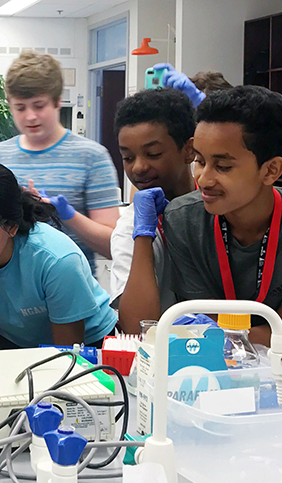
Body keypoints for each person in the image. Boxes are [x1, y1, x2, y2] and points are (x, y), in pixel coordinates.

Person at [157, 85, 282, 348]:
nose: (203, 179)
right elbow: (207, 324)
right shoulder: (183, 220)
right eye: (200, 160)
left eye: (223, 166)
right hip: (217, 355)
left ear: (271, 170)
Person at [0, 159, 117, 349]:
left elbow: (68, 356)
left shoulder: (56, 261)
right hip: (16, 339)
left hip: (88, 343)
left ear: (11, 227)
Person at [0, 50, 120, 263]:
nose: (30, 116)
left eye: (39, 106)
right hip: (8, 288)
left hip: (72, 288)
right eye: (20, 108)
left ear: (57, 101)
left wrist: (67, 215)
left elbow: (114, 247)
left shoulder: (92, 157)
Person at [107, 88, 197, 333]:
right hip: (158, 354)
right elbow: (136, 328)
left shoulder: (217, 205)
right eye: (127, 157)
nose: (138, 167)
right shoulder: (130, 228)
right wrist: (144, 235)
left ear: (189, 150)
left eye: (153, 154)